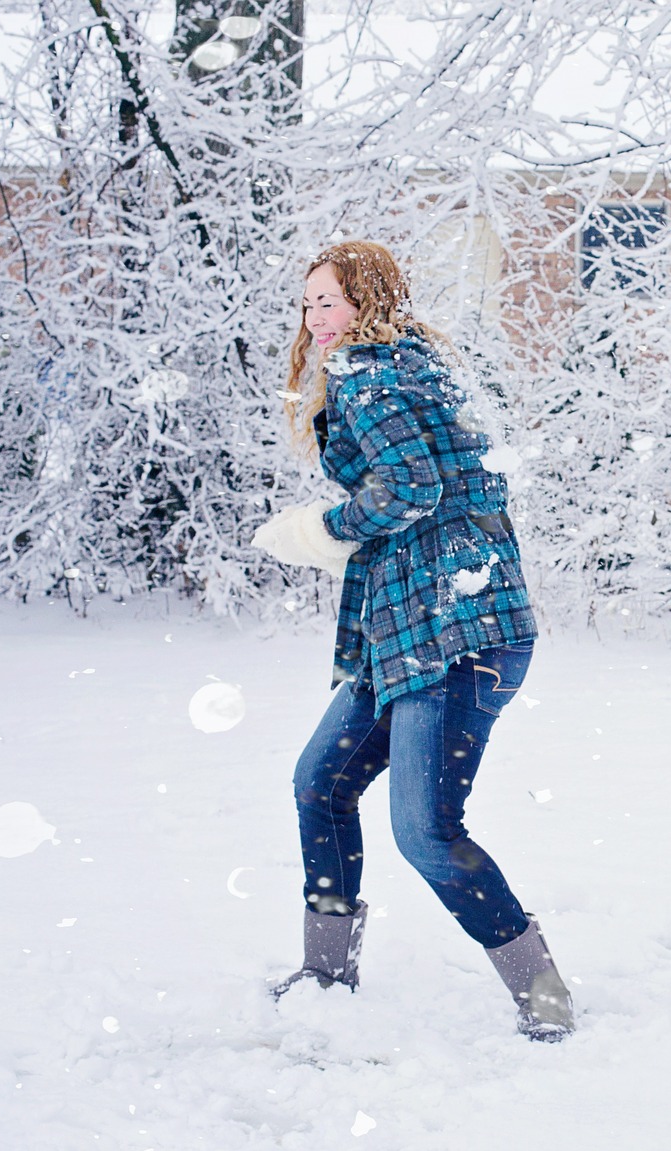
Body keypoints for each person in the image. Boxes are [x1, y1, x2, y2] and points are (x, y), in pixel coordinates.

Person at [250, 240, 574, 1042]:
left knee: (426, 829)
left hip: (455, 631)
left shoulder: (370, 370)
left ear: (369, 300)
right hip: (418, 629)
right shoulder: (412, 365)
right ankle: (326, 975)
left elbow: (413, 488)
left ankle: (544, 996)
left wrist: (324, 529)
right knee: (320, 781)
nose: (316, 319)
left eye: (329, 301)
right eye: (307, 305)